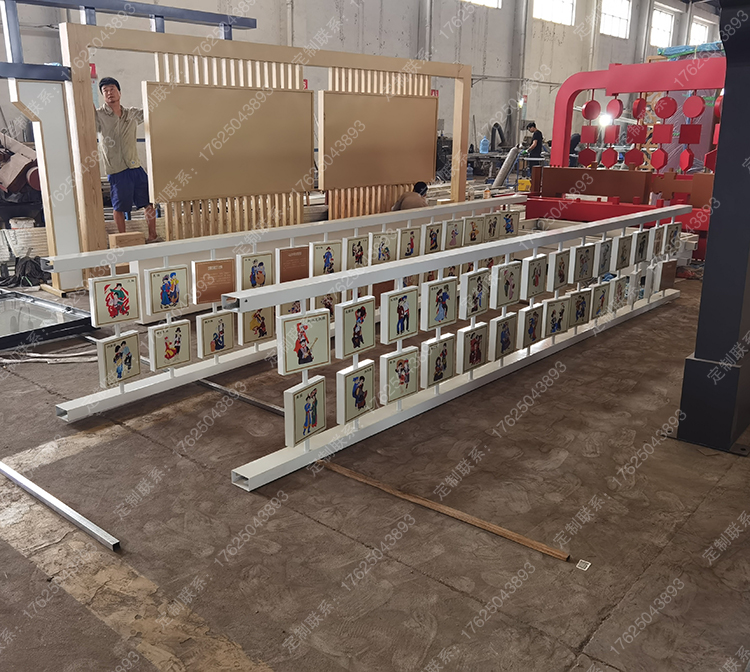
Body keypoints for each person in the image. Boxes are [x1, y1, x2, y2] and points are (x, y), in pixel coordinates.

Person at [95, 77, 158, 242]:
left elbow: (151, 111)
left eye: (112, 89)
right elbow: (85, 124)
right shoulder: (98, 116)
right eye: (105, 91)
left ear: (119, 92)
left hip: (135, 166)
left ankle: (152, 235)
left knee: (148, 202)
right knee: (119, 207)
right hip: (117, 169)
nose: (109, 93)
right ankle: (123, 239)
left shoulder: (132, 113)